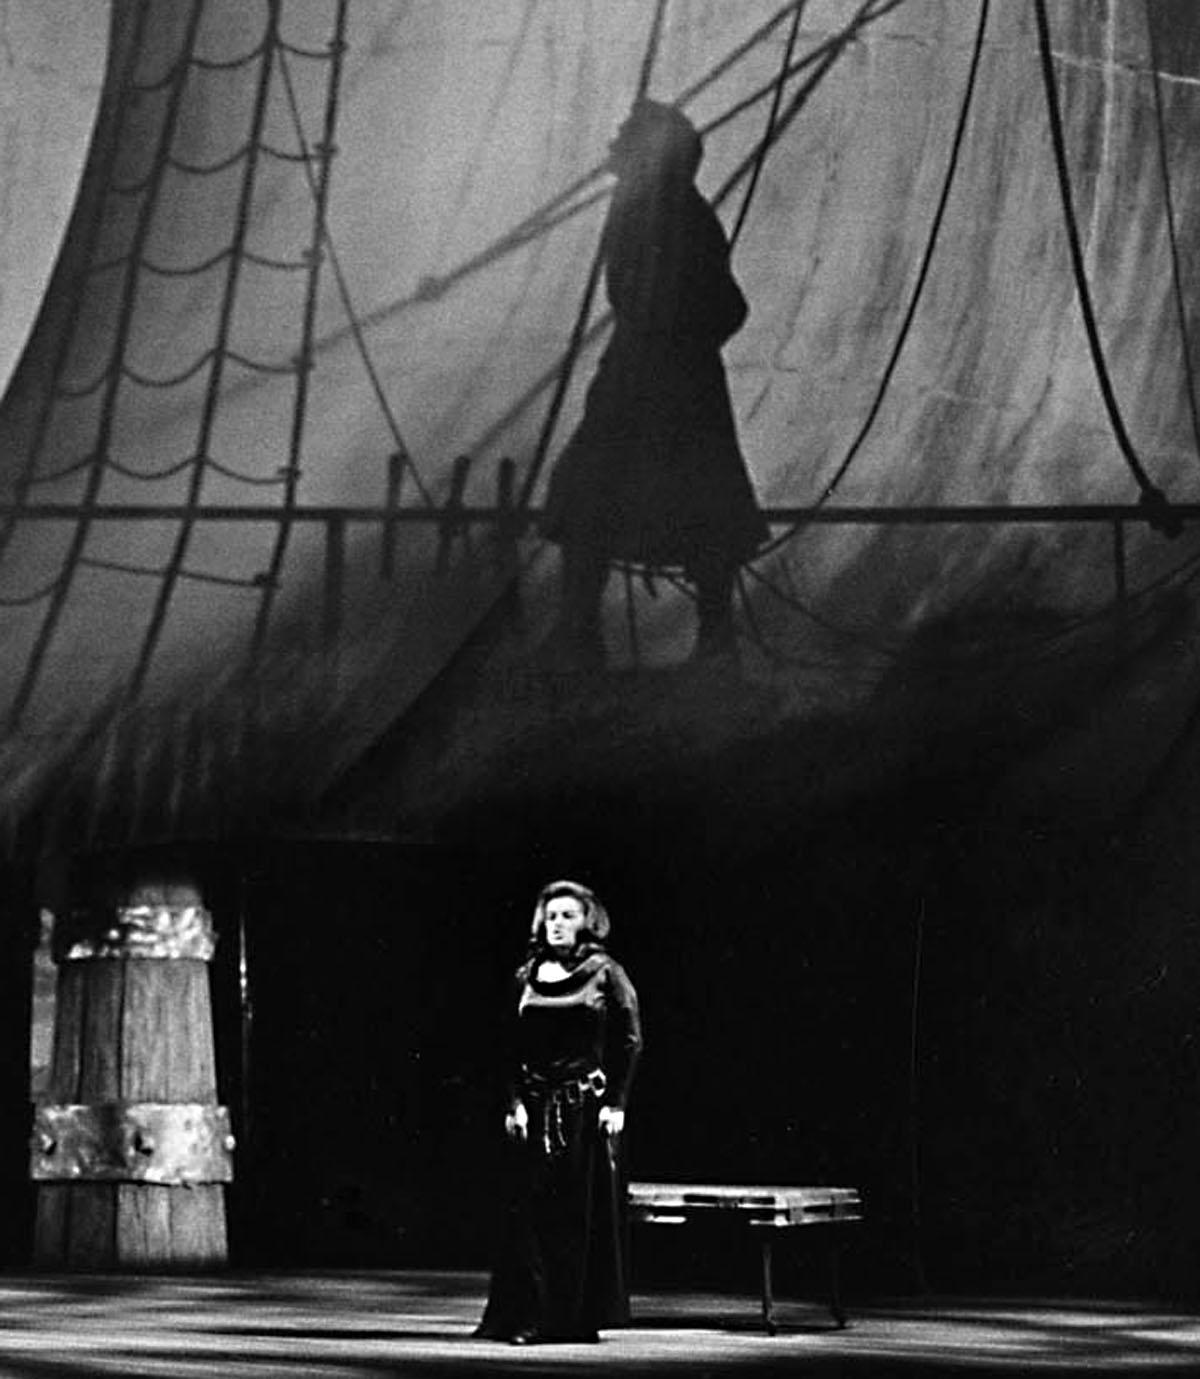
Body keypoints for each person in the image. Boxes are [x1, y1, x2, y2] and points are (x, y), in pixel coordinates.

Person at [541, 99, 768, 664]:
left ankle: (583, 634)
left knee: (591, 490)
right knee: (697, 500)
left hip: (643, 379)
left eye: (625, 137)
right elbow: (727, 306)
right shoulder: (673, 208)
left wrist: (666, 336)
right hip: (678, 379)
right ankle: (712, 641)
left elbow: (709, 302)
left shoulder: (653, 209)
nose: (613, 144)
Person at [475, 879, 643, 1344]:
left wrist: (616, 1103)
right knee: (527, 1215)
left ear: (587, 921)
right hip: (532, 1106)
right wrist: (512, 1103)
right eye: (551, 916)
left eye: (568, 916)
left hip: (581, 1110)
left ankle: (566, 1319)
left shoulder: (605, 972)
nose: (558, 925)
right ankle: (529, 1314)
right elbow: (505, 1044)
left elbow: (630, 1040)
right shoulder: (526, 975)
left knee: (571, 1218)